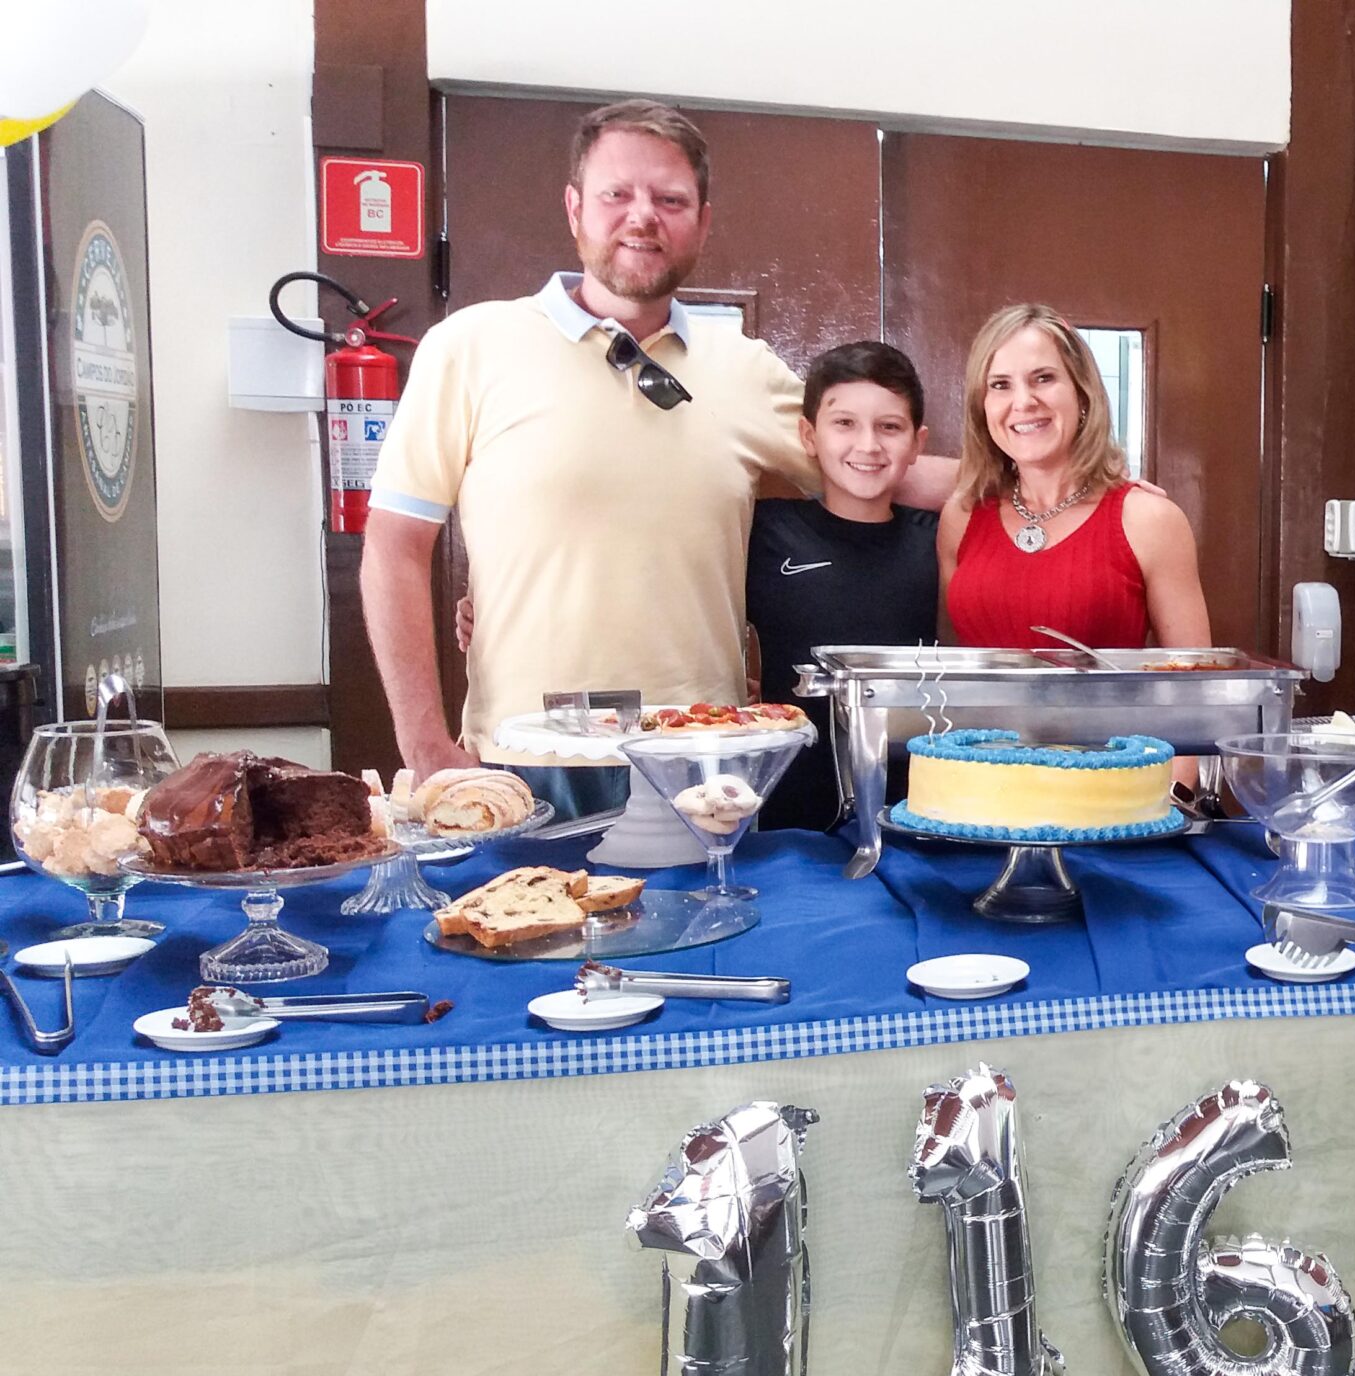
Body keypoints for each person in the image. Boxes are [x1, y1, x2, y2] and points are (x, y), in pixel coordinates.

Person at [359, 98, 952, 815]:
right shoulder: (471, 347)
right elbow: (395, 545)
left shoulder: (743, 369)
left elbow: (881, 466)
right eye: (617, 194)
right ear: (575, 208)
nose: (643, 216)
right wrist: (424, 746)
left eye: (670, 200)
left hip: (704, 761)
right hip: (526, 760)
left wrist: (1049, 479)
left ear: (702, 222)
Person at [939, 303, 1210, 653]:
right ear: (983, 407)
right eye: (1000, 385)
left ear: (1082, 394)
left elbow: (1194, 676)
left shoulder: (1150, 520)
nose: (1023, 401)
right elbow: (948, 669)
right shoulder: (960, 517)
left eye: (1043, 378)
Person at [747, 341, 940, 830]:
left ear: (917, 443)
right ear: (809, 436)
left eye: (889, 427)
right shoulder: (765, 530)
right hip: (788, 810)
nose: (868, 445)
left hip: (920, 806)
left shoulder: (939, 539)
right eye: (845, 423)